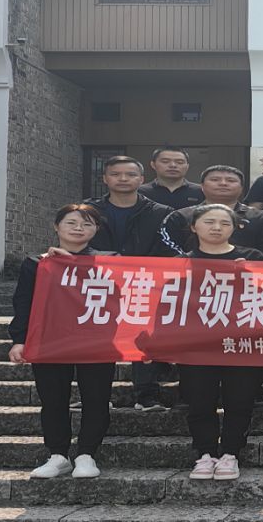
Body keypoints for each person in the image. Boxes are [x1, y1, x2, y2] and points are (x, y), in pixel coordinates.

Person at [8, 204, 116, 479]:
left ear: (96, 230)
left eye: (87, 224)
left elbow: (120, 294)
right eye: (71, 222)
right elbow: (24, 302)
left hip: (96, 340)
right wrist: (19, 339)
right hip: (50, 339)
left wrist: (73, 262)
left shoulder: (110, 259)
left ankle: (87, 454)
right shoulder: (37, 262)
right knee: (53, 398)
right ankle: (57, 455)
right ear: (57, 226)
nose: (79, 228)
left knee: (96, 398)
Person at [178, 204, 263, 481]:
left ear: (234, 228)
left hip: (242, 343)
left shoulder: (252, 258)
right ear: (194, 226)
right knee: (199, 401)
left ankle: (231, 452)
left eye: (224, 223)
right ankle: (204, 453)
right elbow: (169, 303)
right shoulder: (180, 263)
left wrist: (252, 275)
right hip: (195, 345)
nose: (216, 228)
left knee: (240, 400)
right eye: (209, 222)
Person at [83, 155, 174, 411]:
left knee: (144, 340)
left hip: (144, 283)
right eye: (116, 174)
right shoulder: (88, 211)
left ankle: (147, 396)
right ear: (105, 178)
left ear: (142, 179)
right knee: (97, 339)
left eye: (130, 174)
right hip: (100, 284)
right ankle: (94, 395)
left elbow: (168, 248)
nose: (123, 179)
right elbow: (78, 241)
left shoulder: (161, 212)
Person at [161, 165, 263, 259]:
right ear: (202, 186)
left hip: (247, 277)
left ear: (241, 188)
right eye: (215, 179)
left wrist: (251, 262)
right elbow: (166, 247)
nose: (223, 183)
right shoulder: (181, 216)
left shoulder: (261, 218)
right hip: (190, 276)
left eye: (231, 180)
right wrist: (192, 261)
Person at [137, 146, 205, 209]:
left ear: (187, 166)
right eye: (165, 161)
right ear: (153, 165)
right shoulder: (140, 192)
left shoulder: (202, 191)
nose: (173, 165)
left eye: (179, 162)